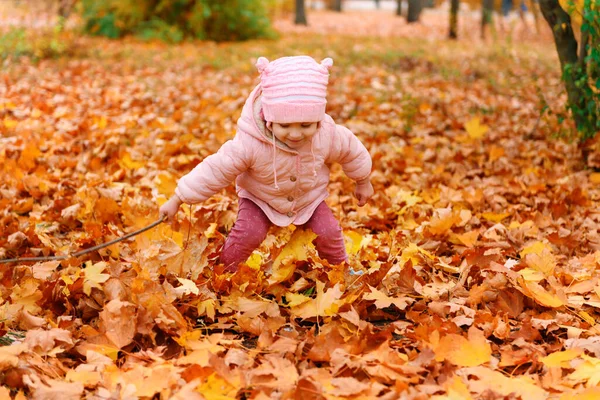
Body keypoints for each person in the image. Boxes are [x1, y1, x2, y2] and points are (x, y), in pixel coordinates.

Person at [159, 56, 373, 272]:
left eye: (306, 125)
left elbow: (351, 150)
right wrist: (178, 199)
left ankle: (342, 271)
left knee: (328, 232)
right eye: (285, 125)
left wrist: (362, 180)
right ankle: (225, 272)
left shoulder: (326, 134)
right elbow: (215, 170)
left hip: (309, 198)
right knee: (249, 233)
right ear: (269, 120)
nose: (296, 134)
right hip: (259, 197)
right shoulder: (250, 144)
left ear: (318, 119)